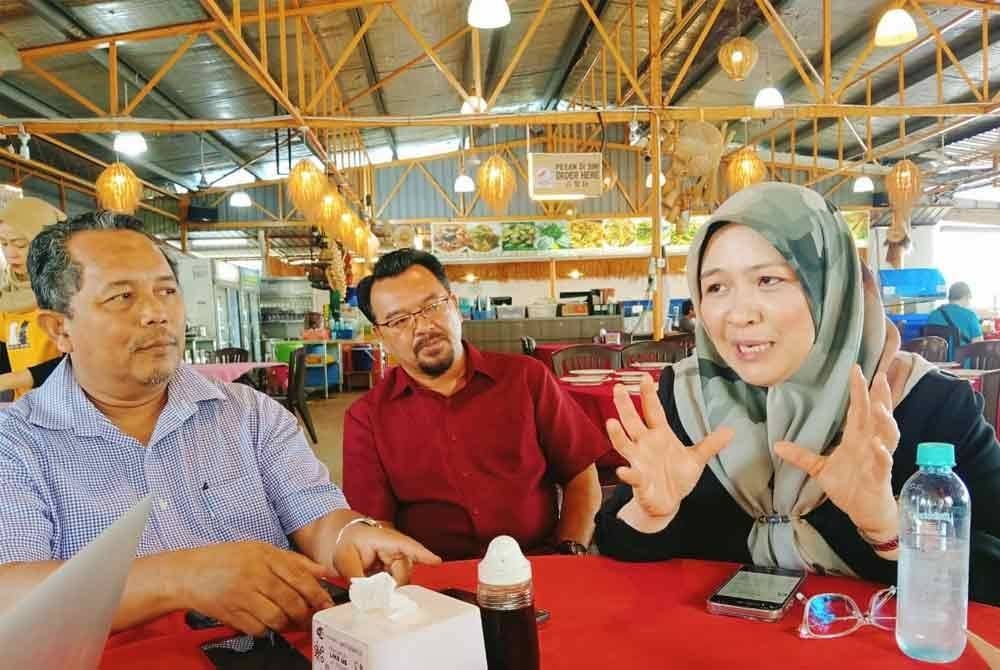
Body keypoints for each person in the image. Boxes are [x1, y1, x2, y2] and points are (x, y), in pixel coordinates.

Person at [0, 211, 440, 636]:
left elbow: (316, 516)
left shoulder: (251, 413)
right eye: (122, 297)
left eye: (167, 291)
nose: (157, 313)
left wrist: (352, 537)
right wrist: (181, 578)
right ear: (59, 328)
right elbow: (11, 594)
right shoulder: (16, 444)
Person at [594, 183, 1000, 604]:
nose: (738, 313)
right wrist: (650, 515)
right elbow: (617, 547)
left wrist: (888, 527)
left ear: (832, 288)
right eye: (716, 287)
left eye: (768, 279)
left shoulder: (924, 403)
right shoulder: (686, 399)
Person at [344, 249, 608, 561]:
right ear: (381, 336)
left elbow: (580, 473)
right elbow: (378, 527)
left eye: (432, 306)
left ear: (454, 305)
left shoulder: (527, 378)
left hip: (539, 565)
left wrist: (569, 552)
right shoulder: (366, 417)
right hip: (435, 582)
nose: (423, 327)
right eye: (399, 320)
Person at [0, 197, 65, 397]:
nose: (10, 253)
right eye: (3, 243)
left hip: (71, 406)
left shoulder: (70, 292)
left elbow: (88, 360)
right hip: (29, 410)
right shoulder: (6, 298)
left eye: (20, 244)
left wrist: (19, 377)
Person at [927, 281, 983, 347]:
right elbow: (979, 346)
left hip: (939, 357)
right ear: (966, 296)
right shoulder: (970, 315)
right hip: (962, 357)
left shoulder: (933, 315)